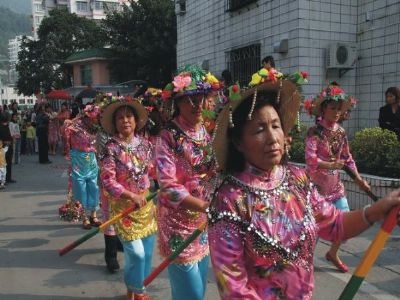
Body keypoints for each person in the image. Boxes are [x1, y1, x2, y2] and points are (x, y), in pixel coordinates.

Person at [208, 79, 400, 299]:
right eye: (259, 130)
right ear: (238, 142)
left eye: (276, 126)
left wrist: (378, 210)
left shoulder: (297, 180)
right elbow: (233, 288)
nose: (272, 138)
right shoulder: (228, 200)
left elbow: (335, 224)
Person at [155, 65, 220, 300]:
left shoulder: (205, 131)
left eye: (201, 98)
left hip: (202, 223)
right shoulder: (168, 136)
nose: (197, 106)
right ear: (178, 102)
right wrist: (204, 205)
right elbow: (167, 185)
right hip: (177, 223)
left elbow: (214, 169)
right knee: (191, 293)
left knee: (196, 291)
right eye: (190, 99)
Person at [305, 86, 371, 273]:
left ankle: (332, 253)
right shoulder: (314, 132)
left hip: (335, 188)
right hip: (316, 189)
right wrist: (331, 165)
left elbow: (347, 159)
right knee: (313, 229)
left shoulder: (341, 132)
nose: (336, 112)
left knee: (345, 226)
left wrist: (359, 180)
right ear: (324, 109)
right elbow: (310, 161)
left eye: (339, 108)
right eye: (332, 108)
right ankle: (306, 259)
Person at [99, 97, 156, 300]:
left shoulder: (146, 145)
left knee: (147, 255)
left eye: (129, 116)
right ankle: (137, 290)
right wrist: (131, 195)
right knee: (137, 254)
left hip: (146, 208)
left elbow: (153, 172)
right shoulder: (110, 148)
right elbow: (107, 180)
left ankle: (134, 289)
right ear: (115, 123)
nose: (125, 121)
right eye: (120, 118)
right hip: (124, 210)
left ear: (136, 120)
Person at [64, 104, 101, 229]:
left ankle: (94, 215)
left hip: (91, 158)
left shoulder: (95, 127)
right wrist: (69, 122)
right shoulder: (76, 124)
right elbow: (64, 131)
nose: (97, 120)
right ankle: (84, 217)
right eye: (96, 117)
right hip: (78, 158)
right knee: (80, 187)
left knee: (94, 187)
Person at [0, 113, 15, 183]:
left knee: (8, 163)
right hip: (3, 148)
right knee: (4, 164)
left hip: (7, 147)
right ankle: (4, 179)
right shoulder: (3, 127)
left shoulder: (6, 126)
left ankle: (8, 178)